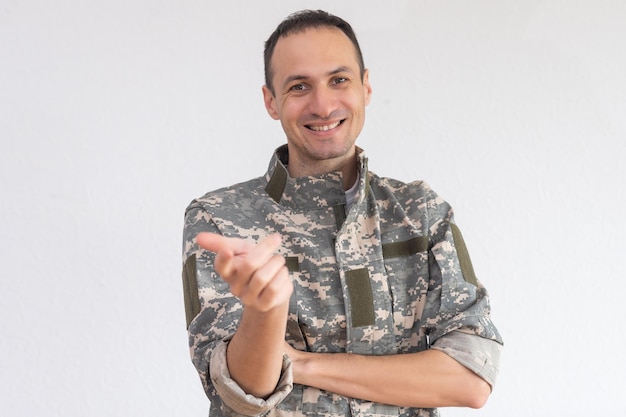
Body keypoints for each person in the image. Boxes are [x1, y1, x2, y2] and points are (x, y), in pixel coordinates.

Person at [182, 9, 503, 417]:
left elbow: (471, 377)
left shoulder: (421, 213)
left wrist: (301, 363)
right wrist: (265, 312)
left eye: (339, 80)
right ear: (271, 102)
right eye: (299, 86)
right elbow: (239, 395)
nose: (322, 104)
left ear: (366, 87)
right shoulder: (220, 220)